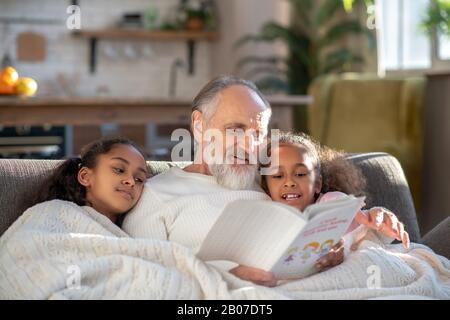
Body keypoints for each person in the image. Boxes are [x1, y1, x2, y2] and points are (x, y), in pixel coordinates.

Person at [123, 75, 408, 287]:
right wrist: (225, 275)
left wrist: (337, 250)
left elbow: (339, 233)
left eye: (257, 134)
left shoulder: (271, 183)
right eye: (235, 129)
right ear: (199, 126)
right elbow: (144, 276)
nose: (249, 146)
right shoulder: (157, 195)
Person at [260, 131, 411, 270]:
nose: (289, 182)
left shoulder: (331, 202)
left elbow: (365, 229)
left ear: (317, 184)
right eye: (278, 176)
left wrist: (377, 218)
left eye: (300, 174)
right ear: (267, 188)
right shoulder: (268, 222)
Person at [33, 137, 148, 224]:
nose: (131, 181)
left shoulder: (138, 231)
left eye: (139, 179)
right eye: (119, 170)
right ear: (85, 176)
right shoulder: (50, 214)